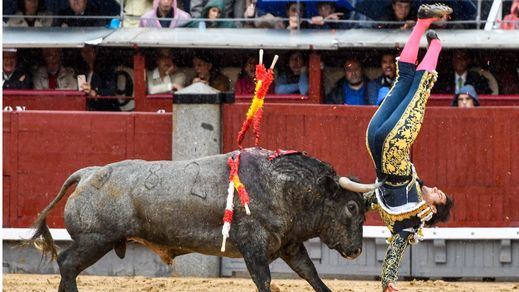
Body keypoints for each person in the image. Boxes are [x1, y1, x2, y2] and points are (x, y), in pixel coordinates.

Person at [339, 4, 455, 292]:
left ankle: (436, 44)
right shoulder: (404, 203)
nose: (438, 191)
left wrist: (388, 280)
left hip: (393, 143)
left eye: (440, 198)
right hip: (376, 141)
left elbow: (395, 247)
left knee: (421, 84)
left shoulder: (413, 220)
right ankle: (422, 24)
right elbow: (367, 199)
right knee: (406, 79)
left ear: (432, 210)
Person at [77, 45, 120, 111]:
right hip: (88, 110)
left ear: (95, 52)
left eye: (89, 51)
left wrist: (94, 92)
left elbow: (111, 90)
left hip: (104, 111)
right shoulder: (82, 70)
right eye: (83, 51)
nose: (86, 54)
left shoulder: (105, 69)